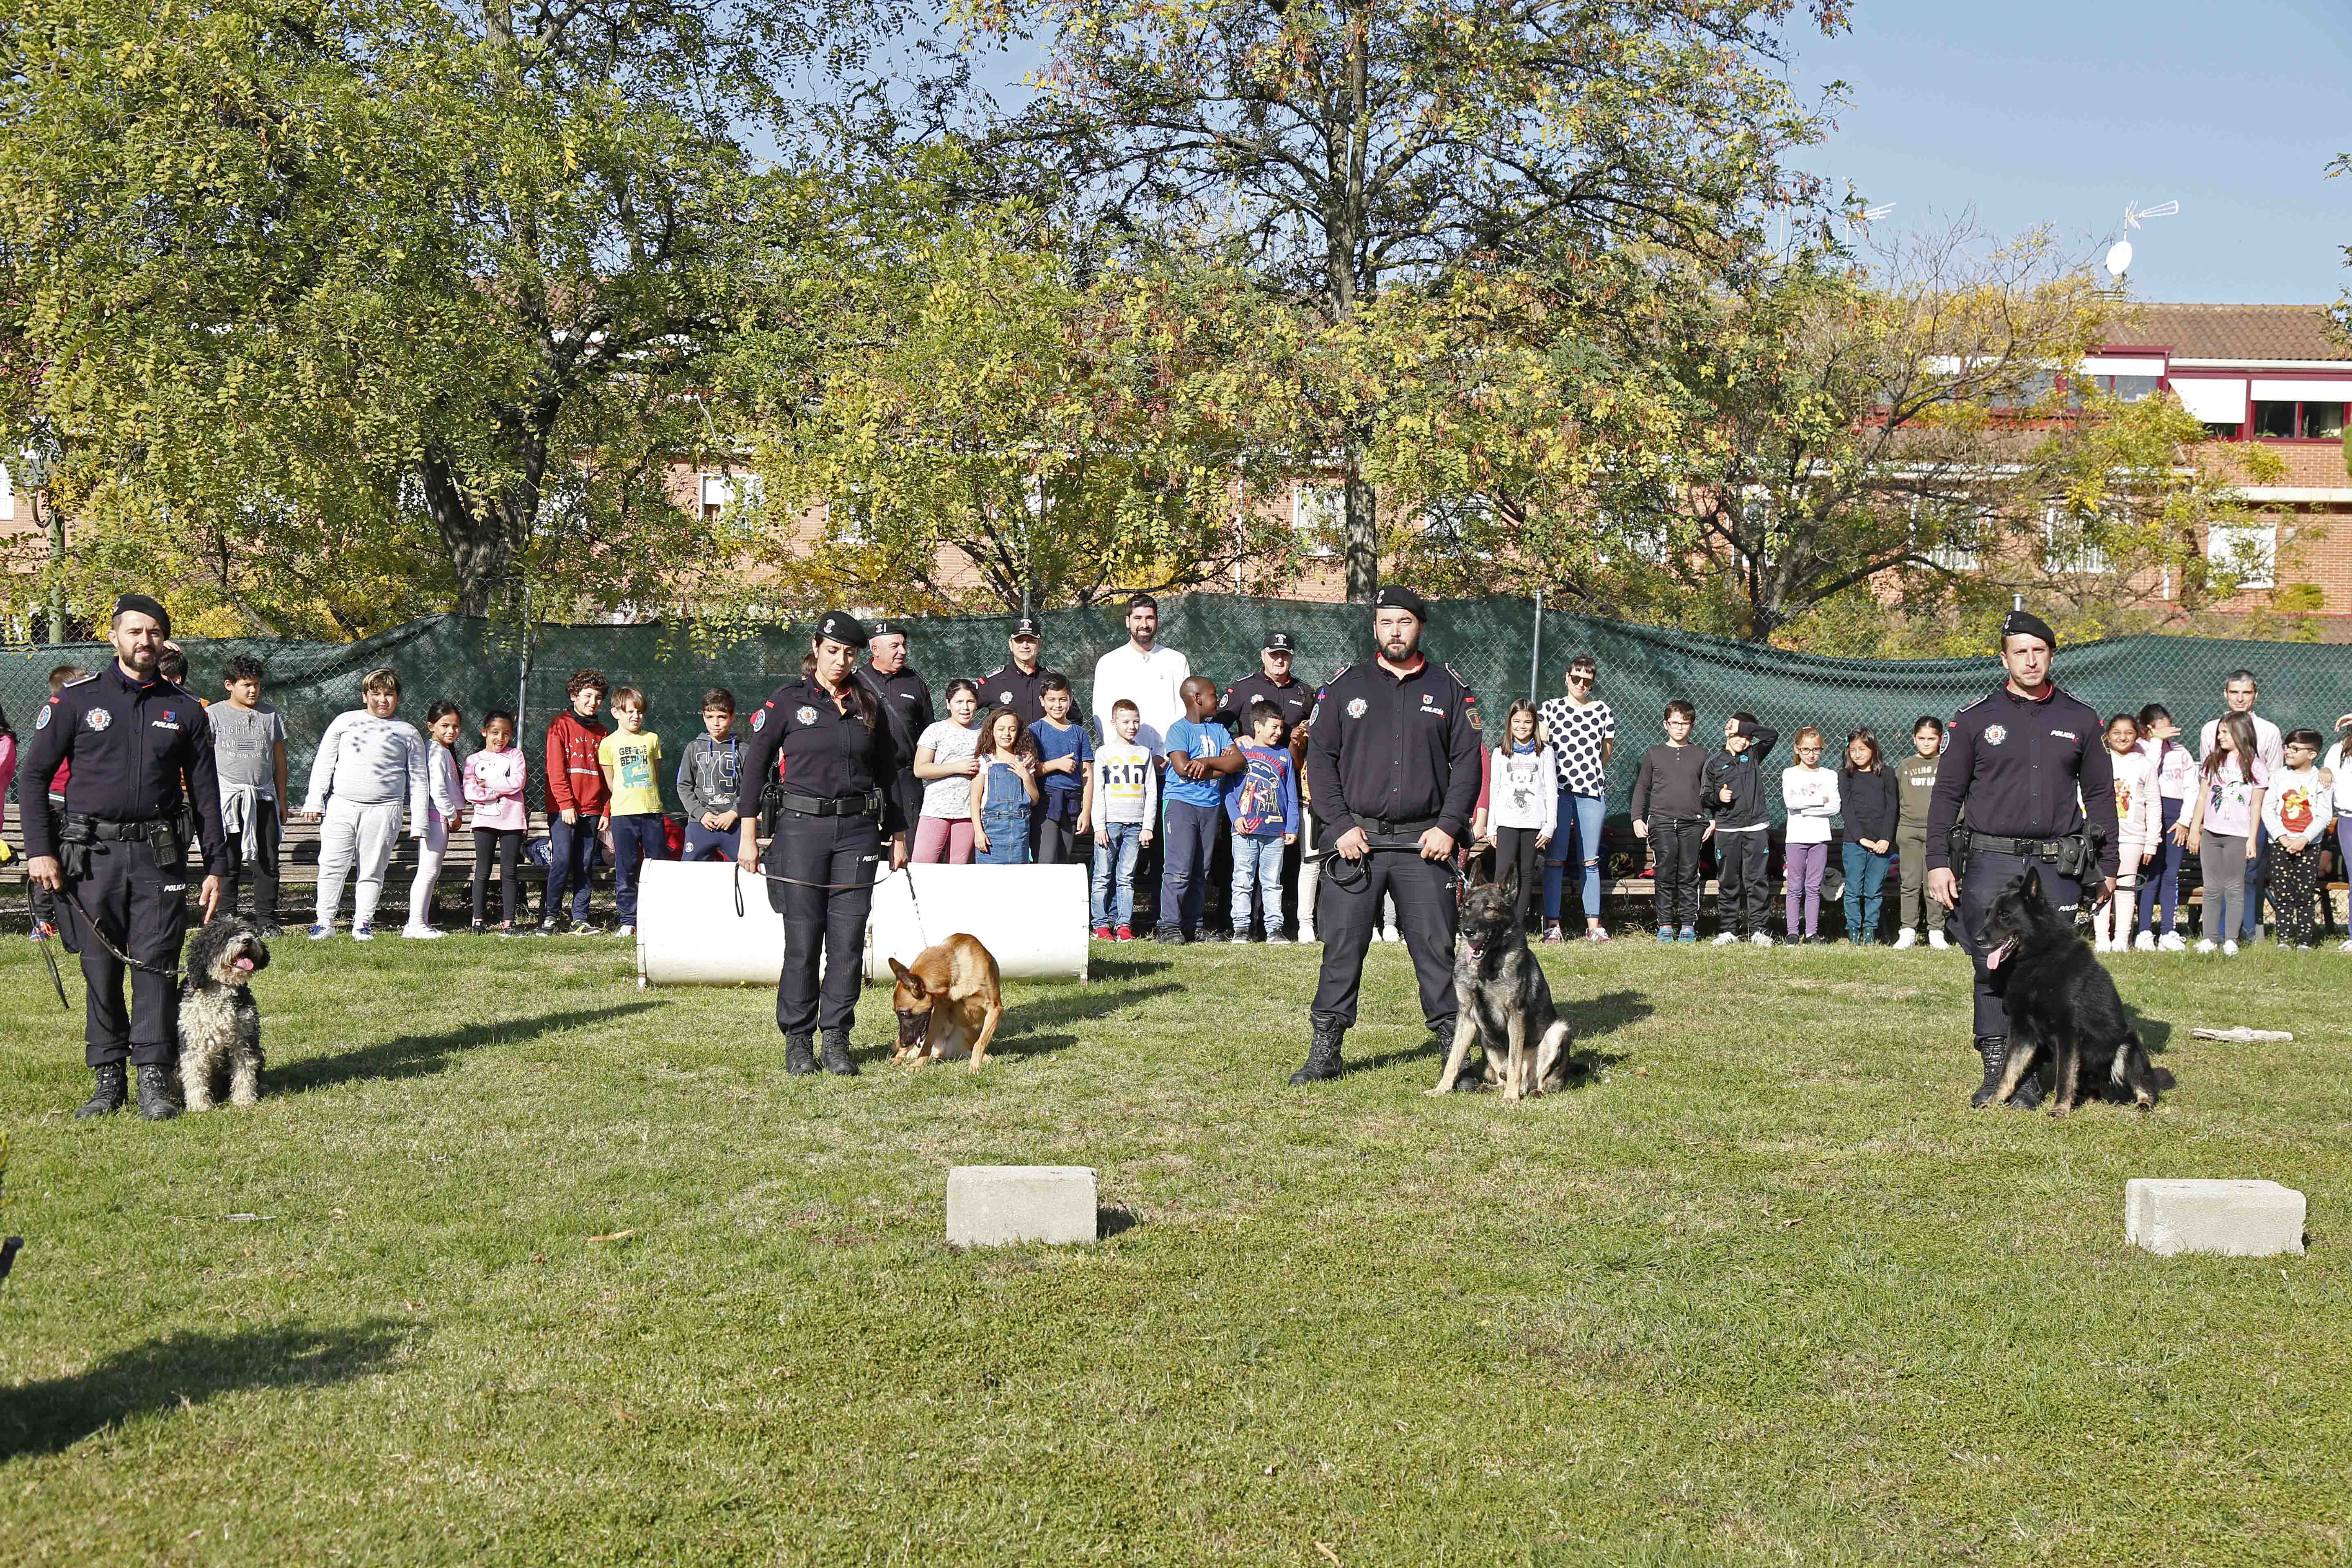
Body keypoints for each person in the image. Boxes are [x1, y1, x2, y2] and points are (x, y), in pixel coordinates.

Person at [19, 593, 229, 1120]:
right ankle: (108, 1076)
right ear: (114, 636)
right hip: (91, 856)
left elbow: (207, 794)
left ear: (164, 640)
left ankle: (154, 1077)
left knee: (157, 963)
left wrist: (218, 867)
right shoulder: (75, 701)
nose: (144, 641)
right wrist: (40, 851)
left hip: (159, 856)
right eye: (134, 631)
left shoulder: (186, 710)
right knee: (100, 965)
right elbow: (34, 776)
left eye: (154, 632)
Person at [1927, 608, 2118, 1109]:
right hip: (1990, 861)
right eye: (2020, 652)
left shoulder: (2080, 718)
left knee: (2049, 970)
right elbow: (1946, 794)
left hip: (2055, 867)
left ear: (2051, 655)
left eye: (2039, 651)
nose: (2031, 661)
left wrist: (2109, 867)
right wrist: (1937, 861)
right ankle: (1998, 1069)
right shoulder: (1975, 719)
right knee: (1989, 962)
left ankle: (2033, 1069)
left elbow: (2101, 796)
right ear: (2004, 659)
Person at [1289, 586, 1480, 1085]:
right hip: (1356, 843)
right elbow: (1320, 761)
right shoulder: (1345, 687)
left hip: (1425, 845)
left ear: (1421, 626)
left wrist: (1449, 827)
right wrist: (1339, 825)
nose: (1396, 631)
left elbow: (1467, 765)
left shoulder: (1449, 689)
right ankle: (1326, 1054)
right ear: (1375, 628)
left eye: (1405, 622)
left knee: (1437, 952)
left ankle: (1455, 1057)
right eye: (1386, 622)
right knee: (1342, 949)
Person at [735, 610, 909, 1077]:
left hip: (857, 832)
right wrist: (748, 837)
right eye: (833, 651)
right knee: (803, 941)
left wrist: (898, 834)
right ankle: (798, 1041)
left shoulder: (868, 702)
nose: (840, 660)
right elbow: (755, 768)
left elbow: (888, 773)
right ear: (816, 648)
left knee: (848, 943)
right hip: (800, 831)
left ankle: (836, 1039)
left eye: (850, 654)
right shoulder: (788, 701)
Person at [301, 668, 430, 942]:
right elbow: (324, 763)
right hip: (342, 806)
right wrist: (315, 800)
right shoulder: (345, 722)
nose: (382, 700)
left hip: (385, 810)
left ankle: (362, 924)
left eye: (389, 694)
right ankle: (324, 922)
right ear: (364, 696)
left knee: (372, 869)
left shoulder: (407, 732)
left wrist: (419, 822)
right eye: (376, 694)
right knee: (332, 865)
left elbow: (419, 778)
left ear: (398, 698)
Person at [2199, 670, 2283, 943]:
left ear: (2255, 695)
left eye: (2246, 693)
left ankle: (2245, 933)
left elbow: (2274, 777)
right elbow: (2209, 779)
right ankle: (2217, 934)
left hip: (2253, 817)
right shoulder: (2211, 729)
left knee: (2249, 876)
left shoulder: (2269, 731)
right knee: (2218, 881)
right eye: (2234, 692)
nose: (2240, 698)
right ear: (2225, 694)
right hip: (2218, 820)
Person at [1156, 675, 1241, 942]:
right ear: (1197, 698)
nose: (1217, 700)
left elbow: (1238, 761)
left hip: (1211, 806)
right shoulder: (1178, 730)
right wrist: (1220, 769)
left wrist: (1206, 762)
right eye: (1213, 695)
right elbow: (1183, 768)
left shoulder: (1219, 730)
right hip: (1181, 804)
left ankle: (1194, 925)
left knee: (1200, 871)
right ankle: (1168, 926)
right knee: (1179, 869)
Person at [1535, 655, 1613, 942]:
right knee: (1555, 859)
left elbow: (1605, 753)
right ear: (1567, 677)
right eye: (1577, 678)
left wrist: (1590, 775)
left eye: (1587, 681)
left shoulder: (1602, 711)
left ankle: (1594, 926)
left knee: (1590, 860)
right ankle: (1553, 925)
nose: (1581, 685)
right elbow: (1542, 748)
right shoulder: (1550, 709)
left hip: (1591, 792)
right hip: (1558, 793)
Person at [211, 655, 289, 935]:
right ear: (229, 685)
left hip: (262, 798)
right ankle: (226, 920)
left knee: (266, 861)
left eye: (256, 684)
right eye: (246, 685)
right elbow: (203, 759)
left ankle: (267, 921)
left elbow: (280, 760)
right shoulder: (214, 715)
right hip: (227, 800)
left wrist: (282, 799)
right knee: (228, 861)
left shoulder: (271, 716)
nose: (253, 690)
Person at [2185, 710, 2266, 956]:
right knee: (2212, 888)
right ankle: (2209, 939)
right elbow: (2202, 797)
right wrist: (2195, 830)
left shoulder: (2256, 766)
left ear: (2242, 733)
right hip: (2211, 834)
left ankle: (2231, 939)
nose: (2220, 737)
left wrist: (2252, 839)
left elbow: (2256, 806)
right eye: (2219, 732)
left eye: (2226, 732)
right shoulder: (2212, 762)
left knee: (2234, 888)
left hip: (2238, 837)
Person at [1630, 700, 1708, 943]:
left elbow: (1709, 791)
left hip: (1693, 823)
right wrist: (1636, 818)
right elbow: (1643, 787)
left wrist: (1712, 820)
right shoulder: (1654, 753)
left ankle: (1688, 926)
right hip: (1661, 822)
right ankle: (1665, 925)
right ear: (1666, 725)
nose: (1679, 728)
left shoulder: (1701, 755)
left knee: (1688, 873)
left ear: (1692, 726)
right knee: (1664, 871)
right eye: (1674, 723)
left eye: (1685, 723)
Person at [1225, 700, 1300, 944]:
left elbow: (1291, 795)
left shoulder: (1285, 755)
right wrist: (1236, 818)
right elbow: (1228, 791)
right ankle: (1241, 928)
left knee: (1272, 882)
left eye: (1281, 728)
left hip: (1276, 831)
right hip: (1245, 830)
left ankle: (1274, 929)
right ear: (1257, 726)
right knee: (1242, 880)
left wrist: (1292, 827)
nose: (1279, 733)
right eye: (1274, 727)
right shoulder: (1240, 752)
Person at [541, 669, 610, 935]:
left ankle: (580, 918)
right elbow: (556, 770)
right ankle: (550, 916)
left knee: (585, 864)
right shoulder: (559, 725)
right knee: (561, 860)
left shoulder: (603, 733)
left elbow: (608, 776)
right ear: (574, 696)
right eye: (588, 696)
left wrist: (606, 810)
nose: (593, 702)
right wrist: (566, 804)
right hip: (564, 810)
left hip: (592, 810)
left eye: (599, 698)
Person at [599, 686, 669, 938]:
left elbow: (655, 775)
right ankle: (628, 920)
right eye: (629, 712)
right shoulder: (608, 744)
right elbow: (611, 782)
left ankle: (659, 918)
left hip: (652, 812)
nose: (635, 717)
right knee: (626, 867)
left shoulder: (652, 739)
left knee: (657, 866)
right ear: (616, 713)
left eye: (639, 712)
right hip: (623, 815)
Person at [1705, 715, 1780, 947]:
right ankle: (1729, 931)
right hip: (1727, 831)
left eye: (1748, 737)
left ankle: (1759, 930)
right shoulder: (1714, 763)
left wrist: (1745, 727)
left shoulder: (1754, 755)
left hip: (1756, 828)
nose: (1744, 741)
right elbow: (1704, 797)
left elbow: (1772, 736)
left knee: (1757, 880)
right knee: (1728, 881)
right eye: (1739, 736)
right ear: (1727, 732)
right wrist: (1718, 797)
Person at [27, 663, 87, 942]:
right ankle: (43, 920)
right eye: (82, 681)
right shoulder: (58, 714)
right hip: (57, 800)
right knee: (50, 856)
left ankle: (77, 917)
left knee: (76, 861)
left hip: (80, 800)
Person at [1485, 700, 1557, 935]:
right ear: (1509, 723)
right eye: (1517, 721)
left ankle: (1516, 927)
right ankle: (1498, 923)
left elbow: (1551, 790)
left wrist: (1550, 826)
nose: (1522, 726)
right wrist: (1491, 827)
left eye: (1527, 721)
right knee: (1502, 872)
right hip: (1506, 821)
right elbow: (1494, 789)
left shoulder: (1545, 752)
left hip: (1533, 822)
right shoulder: (1500, 752)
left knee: (1526, 873)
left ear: (1535, 724)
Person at [1090, 594, 1191, 757]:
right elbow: (1102, 715)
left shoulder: (1177, 660)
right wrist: (1121, 753)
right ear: (1128, 621)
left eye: (1150, 618)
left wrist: (1169, 755)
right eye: (1138, 618)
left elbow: (1184, 710)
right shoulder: (1109, 663)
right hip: (1125, 762)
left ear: (1157, 621)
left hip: (1171, 761)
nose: (1144, 625)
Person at [1090, 699, 1156, 941]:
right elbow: (1098, 792)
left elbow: (1151, 791)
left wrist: (1148, 826)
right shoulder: (1104, 753)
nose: (1132, 726)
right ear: (1114, 723)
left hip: (1135, 825)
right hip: (1110, 824)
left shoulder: (1144, 753)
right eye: (1126, 722)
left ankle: (1124, 925)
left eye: (1136, 721)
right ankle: (1100, 925)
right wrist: (1099, 826)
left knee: (1126, 878)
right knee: (1102, 876)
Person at [860, 619, 934, 832]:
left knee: (910, 841)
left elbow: (929, 729)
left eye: (904, 645)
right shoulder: (856, 682)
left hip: (906, 778)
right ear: (875, 650)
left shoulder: (915, 681)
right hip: (867, 778)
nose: (903, 651)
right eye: (895, 646)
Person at [2262, 728, 2331, 951]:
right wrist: (2282, 838)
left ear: (2312, 755)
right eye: (2287, 747)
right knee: (2282, 894)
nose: (2289, 752)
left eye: (2295, 748)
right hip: (2280, 845)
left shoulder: (2321, 779)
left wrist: (2304, 839)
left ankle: (2304, 941)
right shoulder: (2279, 776)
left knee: (2305, 895)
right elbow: (2268, 810)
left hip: (2309, 847)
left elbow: (2324, 815)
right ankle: (2284, 939)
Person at [2094, 713, 2157, 953]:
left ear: (2137, 735)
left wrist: (2152, 842)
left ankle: (2122, 938)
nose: (2122, 737)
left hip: (2133, 837)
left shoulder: (2144, 764)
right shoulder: (2099, 761)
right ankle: (2102, 937)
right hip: (2101, 836)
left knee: (2126, 887)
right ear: (2108, 736)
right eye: (2117, 732)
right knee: (2101, 884)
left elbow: (2154, 804)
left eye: (2129, 732)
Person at [403, 701, 466, 940]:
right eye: (445, 726)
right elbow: (437, 789)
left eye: (456, 726)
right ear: (431, 726)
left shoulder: (444, 750)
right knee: (428, 872)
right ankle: (416, 924)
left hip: (440, 816)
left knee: (431, 871)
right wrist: (452, 815)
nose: (452, 731)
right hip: (435, 816)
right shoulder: (435, 751)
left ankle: (420, 922)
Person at [465, 710, 529, 934]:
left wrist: (488, 783)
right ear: (485, 732)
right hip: (484, 822)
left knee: (509, 872)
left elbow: (518, 783)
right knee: (483, 871)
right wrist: (499, 790)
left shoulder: (516, 756)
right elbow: (471, 792)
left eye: (506, 734)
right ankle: (478, 921)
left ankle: (509, 922)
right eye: (495, 732)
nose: (500, 738)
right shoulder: (473, 761)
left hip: (512, 822)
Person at [2138, 704, 2196, 951]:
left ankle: (2168, 932)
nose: (2169, 733)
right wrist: (2157, 743)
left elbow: (2192, 788)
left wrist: (2185, 821)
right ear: (2148, 729)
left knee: (2171, 875)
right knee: (2151, 875)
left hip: (2175, 818)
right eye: (2162, 730)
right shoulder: (2141, 749)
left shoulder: (2181, 752)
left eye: (2169, 728)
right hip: (2149, 817)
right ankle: (2144, 932)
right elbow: (2147, 771)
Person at [1891, 717, 1949, 950]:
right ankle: (1908, 930)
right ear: (1914, 739)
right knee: (1910, 883)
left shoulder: (1947, 764)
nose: (1926, 743)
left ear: (1941, 740)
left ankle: (1936, 930)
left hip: (1938, 833)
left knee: (1934, 883)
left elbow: (1960, 798)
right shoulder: (1905, 766)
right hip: (1909, 831)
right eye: (1922, 738)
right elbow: (1895, 800)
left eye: (1931, 739)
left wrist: (1952, 822)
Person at [911, 679, 982, 864]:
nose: (965, 708)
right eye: (959, 702)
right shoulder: (936, 731)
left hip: (968, 811)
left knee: (959, 866)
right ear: (948, 704)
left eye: (970, 702)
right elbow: (920, 769)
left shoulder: (983, 733)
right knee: (923, 864)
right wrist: (957, 767)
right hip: (936, 808)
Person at [1780, 728, 1838, 944]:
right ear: (1797, 749)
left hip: (1820, 838)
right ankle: (1792, 933)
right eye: (1806, 750)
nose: (1811, 754)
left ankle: (1812, 933)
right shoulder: (1790, 773)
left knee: (1813, 887)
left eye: (1816, 750)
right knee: (1795, 887)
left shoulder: (1829, 775)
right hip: (1796, 838)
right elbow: (1791, 803)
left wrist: (1805, 808)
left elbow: (1834, 807)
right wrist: (1820, 800)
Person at [1029, 673, 1094, 865]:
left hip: (1072, 804)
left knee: (1064, 861)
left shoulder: (1079, 733)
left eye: (1063, 700)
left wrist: (1086, 811)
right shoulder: (1035, 731)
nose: (1057, 705)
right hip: (1046, 803)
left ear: (1070, 700)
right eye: (1052, 700)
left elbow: (1087, 774)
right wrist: (1056, 764)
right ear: (1042, 701)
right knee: (1046, 859)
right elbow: (1029, 771)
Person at [1839, 729, 1895, 947]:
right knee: (1853, 889)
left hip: (1881, 844)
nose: (1858, 754)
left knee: (1873, 890)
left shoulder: (1887, 774)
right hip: (1854, 842)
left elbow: (1892, 808)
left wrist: (1885, 839)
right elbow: (1847, 810)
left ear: (1873, 749)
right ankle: (1854, 932)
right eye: (1853, 750)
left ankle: (1870, 931)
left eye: (1862, 749)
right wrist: (1861, 839)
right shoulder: (1845, 775)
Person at [676, 689, 743, 862]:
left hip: (734, 824)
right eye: (710, 717)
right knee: (690, 871)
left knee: (746, 869)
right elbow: (684, 786)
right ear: (704, 717)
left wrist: (734, 813)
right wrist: (701, 814)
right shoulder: (694, 748)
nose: (716, 723)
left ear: (732, 717)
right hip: (701, 823)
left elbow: (753, 789)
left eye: (722, 717)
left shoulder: (744, 750)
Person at [971, 706, 1040, 864]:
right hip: (991, 830)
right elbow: (975, 799)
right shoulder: (985, 761)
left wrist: (1025, 776)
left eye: (1012, 729)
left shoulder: (1024, 761)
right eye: (1001, 729)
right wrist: (978, 832)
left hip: (1020, 831)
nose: (1007, 734)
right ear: (992, 732)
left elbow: (1035, 799)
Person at [980, 615, 1056, 728]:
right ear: (1011, 645)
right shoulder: (993, 681)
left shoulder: (1054, 680)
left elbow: (1074, 718)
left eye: (1031, 641)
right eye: (1019, 641)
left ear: (1040, 646)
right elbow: (961, 705)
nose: (1025, 646)